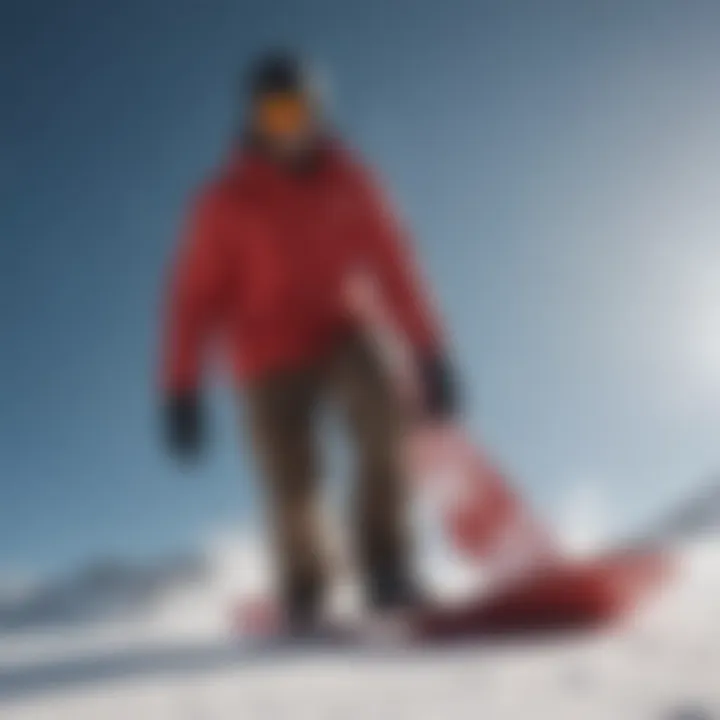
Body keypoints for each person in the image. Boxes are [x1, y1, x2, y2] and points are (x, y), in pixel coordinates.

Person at [160, 51, 457, 634]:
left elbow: (396, 265)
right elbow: (192, 302)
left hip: (340, 328)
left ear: (317, 113)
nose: (286, 128)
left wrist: (430, 349)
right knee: (292, 479)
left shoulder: (353, 180)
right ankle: (306, 588)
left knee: (384, 417)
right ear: (252, 119)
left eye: (296, 112)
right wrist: (181, 390)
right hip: (264, 355)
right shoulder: (223, 203)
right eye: (271, 115)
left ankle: (387, 568)